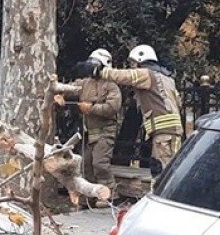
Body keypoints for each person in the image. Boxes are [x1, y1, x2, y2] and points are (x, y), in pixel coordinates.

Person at [77, 44, 182, 180]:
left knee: (163, 172)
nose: (132, 66)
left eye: (133, 63)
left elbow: (125, 76)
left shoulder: (146, 73)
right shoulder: (167, 79)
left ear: (140, 60)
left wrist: (99, 71)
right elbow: (178, 103)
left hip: (164, 133)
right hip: (169, 131)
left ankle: (161, 199)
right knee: (163, 169)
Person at [75, 49, 122, 206]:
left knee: (100, 164)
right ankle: (88, 196)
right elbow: (72, 89)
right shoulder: (86, 83)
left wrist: (91, 108)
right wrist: (59, 94)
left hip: (105, 132)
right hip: (90, 134)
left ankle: (109, 195)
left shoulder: (111, 86)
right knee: (85, 164)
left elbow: (112, 107)